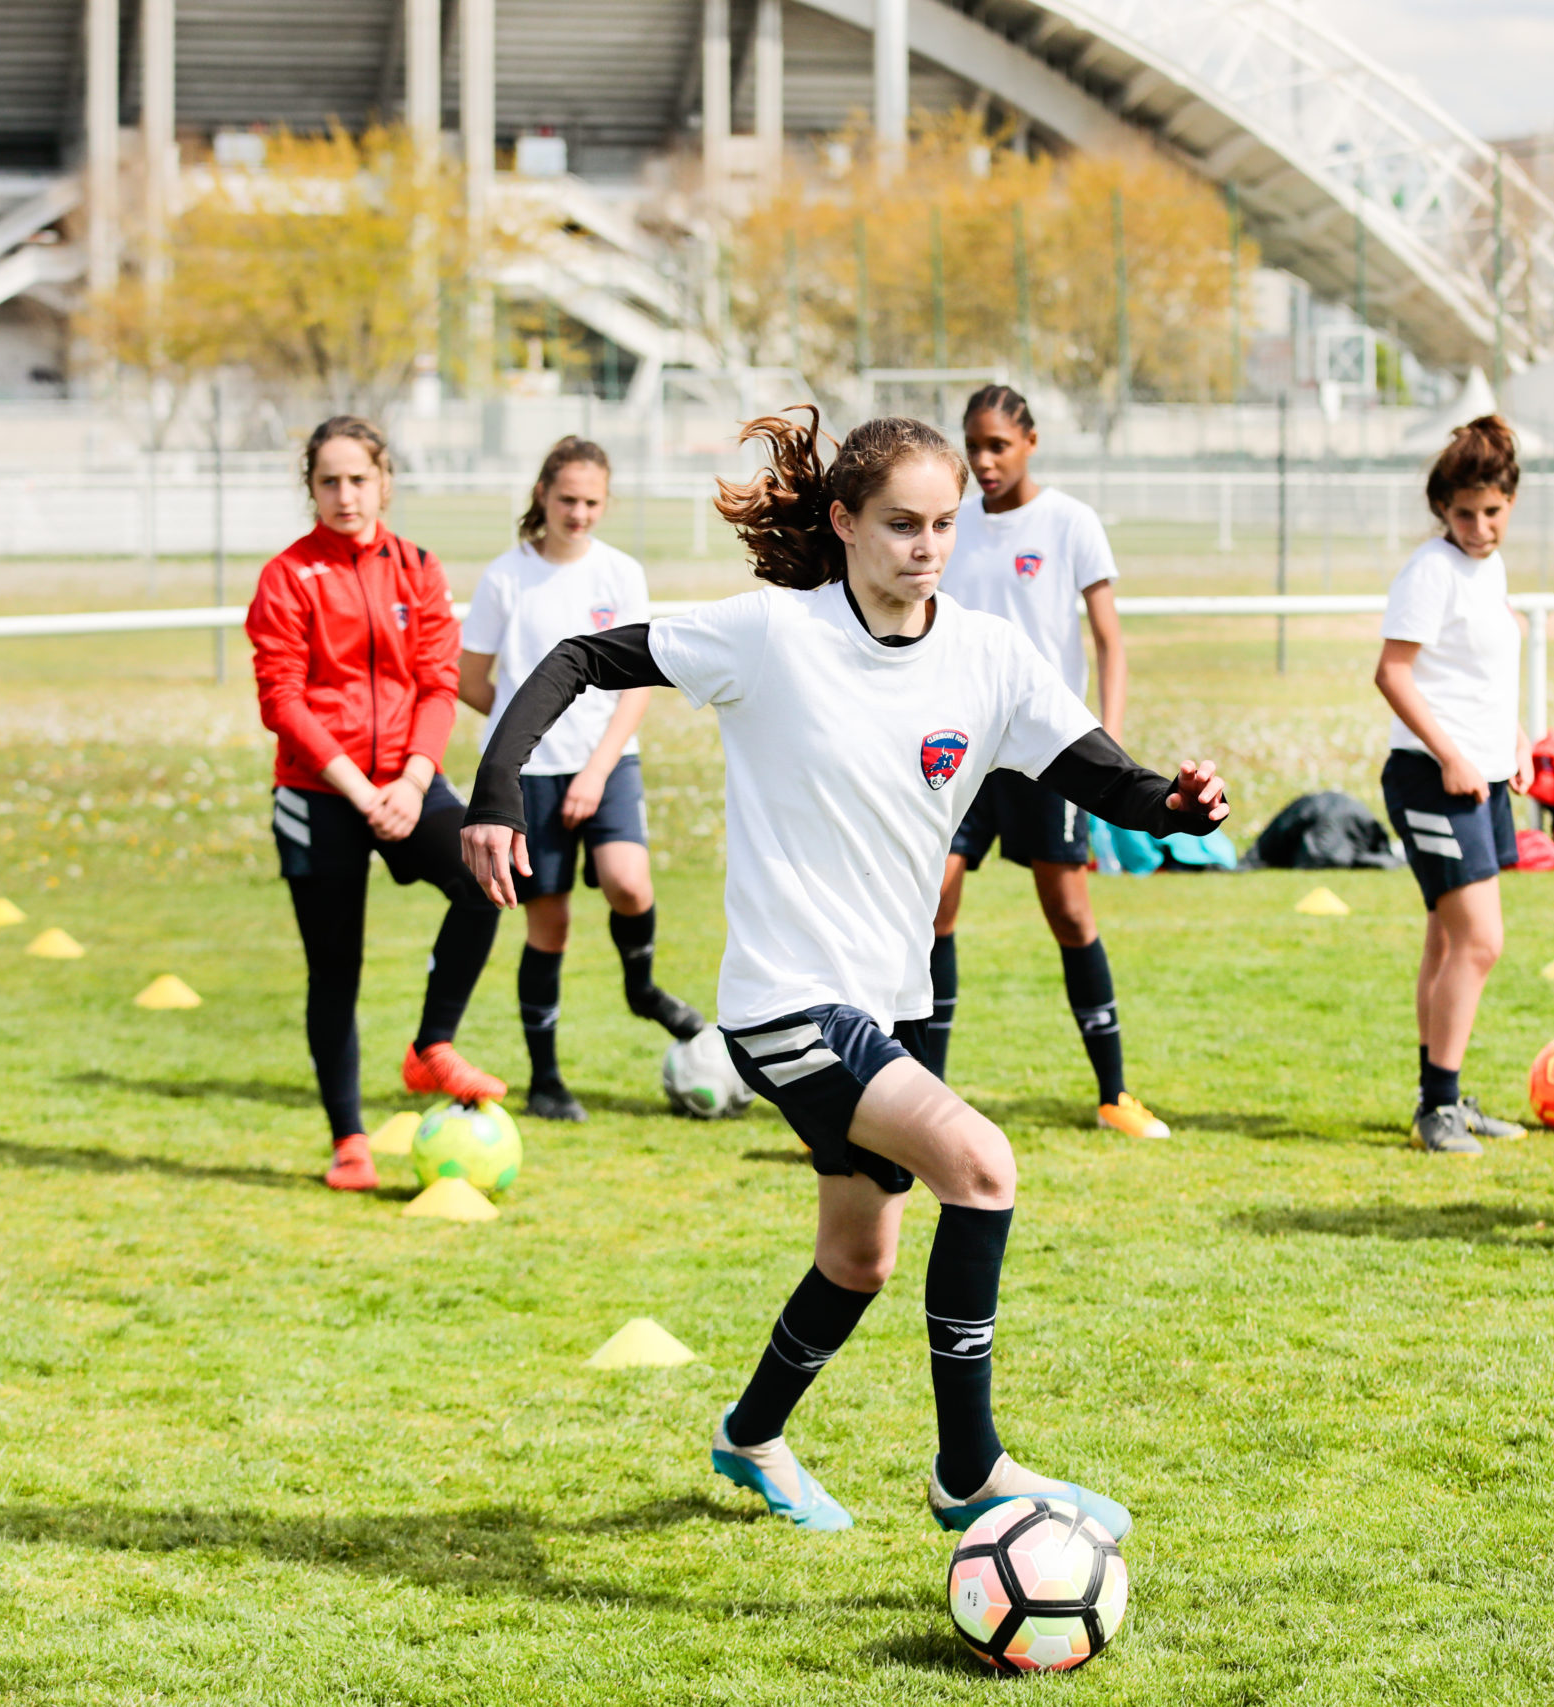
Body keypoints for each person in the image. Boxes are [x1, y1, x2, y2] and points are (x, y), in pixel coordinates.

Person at [459, 408, 1227, 1537]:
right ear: (844, 523)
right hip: (785, 1006)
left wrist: (1176, 801)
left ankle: (748, 1435)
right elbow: (579, 657)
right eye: (900, 524)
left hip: (890, 1005)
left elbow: (1105, 777)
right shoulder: (772, 634)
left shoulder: (988, 656)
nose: (925, 546)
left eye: (944, 525)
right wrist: (491, 797)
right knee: (983, 1163)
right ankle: (969, 1470)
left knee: (857, 1261)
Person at [245, 416, 505, 1192]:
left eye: (359, 479)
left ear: (384, 482)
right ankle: (348, 1139)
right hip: (320, 792)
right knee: (336, 970)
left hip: (407, 781)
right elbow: (282, 699)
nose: (345, 495)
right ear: (311, 489)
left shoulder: (418, 567)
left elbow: (437, 680)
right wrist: (359, 792)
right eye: (329, 481)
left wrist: (414, 780)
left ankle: (431, 1045)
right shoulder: (288, 576)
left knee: (487, 873)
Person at [925, 385, 1168, 1139]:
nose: (984, 460)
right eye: (974, 445)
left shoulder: (1070, 523)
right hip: (963, 753)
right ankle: (920, 1097)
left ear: (1030, 441)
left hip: (1047, 753)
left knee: (1068, 912)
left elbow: (1109, 639)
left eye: (998, 444)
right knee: (931, 904)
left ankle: (1114, 1094)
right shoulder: (951, 528)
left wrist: (1109, 750)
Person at [458, 438, 704, 1123]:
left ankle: (643, 988)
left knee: (630, 882)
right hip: (531, 778)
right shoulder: (506, 577)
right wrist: (524, 738)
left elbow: (639, 685)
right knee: (552, 923)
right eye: (567, 499)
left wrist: (596, 766)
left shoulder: (620, 573)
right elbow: (471, 680)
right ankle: (546, 1079)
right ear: (543, 494)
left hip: (607, 763)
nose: (579, 513)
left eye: (593, 502)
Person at [1372, 416, 1533, 1157]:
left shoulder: (1488, 568)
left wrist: (1516, 744)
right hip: (1434, 778)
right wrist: (1452, 756)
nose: (1477, 526)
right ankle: (1436, 1107)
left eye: (1491, 511)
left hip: (1484, 776)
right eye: (1463, 513)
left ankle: (1445, 1096)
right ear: (1443, 509)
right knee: (1481, 941)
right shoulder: (1431, 569)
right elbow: (1393, 672)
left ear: (1509, 503)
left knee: (1446, 939)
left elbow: (1481, 673)